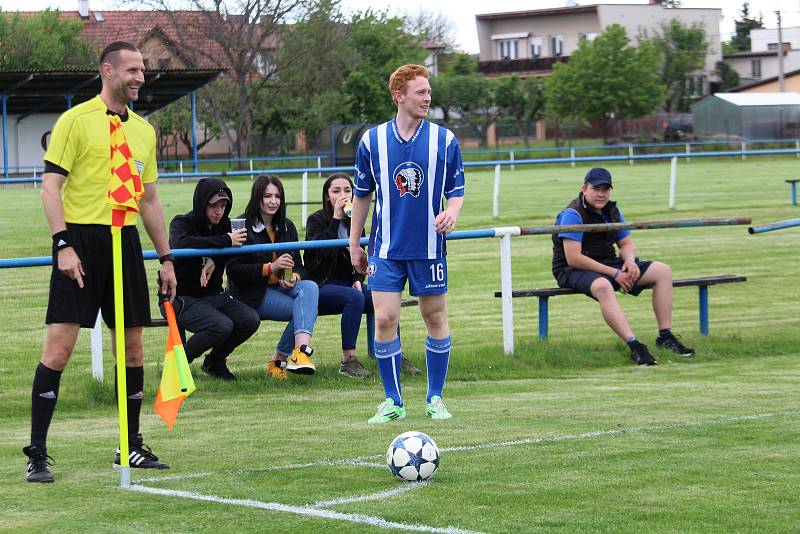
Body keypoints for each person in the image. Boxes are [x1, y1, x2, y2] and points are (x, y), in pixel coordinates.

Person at [23, 41, 178, 483]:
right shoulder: (75, 121)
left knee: (131, 348)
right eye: (132, 70)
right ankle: (37, 451)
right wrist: (62, 244)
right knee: (59, 348)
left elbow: (149, 200)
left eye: (143, 71)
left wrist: (165, 258)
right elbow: (50, 188)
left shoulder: (144, 131)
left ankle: (130, 446)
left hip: (124, 242)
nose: (140, 78)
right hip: (80, 242)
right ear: (107, 70)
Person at [349, 64, 465, 424]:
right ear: (400, 96)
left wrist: (452, 213)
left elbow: (456, 191)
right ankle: (393, 401)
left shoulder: (445, 140)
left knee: (434, 316)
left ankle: (435, 398)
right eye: (420, 92)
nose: (427, 97)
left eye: (429, 92)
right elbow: (362, 195)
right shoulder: (372, 141)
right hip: (385, 250)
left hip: (429, 248)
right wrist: (355, 242)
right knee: (384, 318)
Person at [551, 167, 696, 366]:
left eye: (606, 189)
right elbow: (574, 258)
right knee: (603, 285)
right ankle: (635, 346)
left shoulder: (612, 210)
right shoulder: (572, 214)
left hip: (609, 264)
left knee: (663, 271)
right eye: (596, 189)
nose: (601, 194)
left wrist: (629, 261)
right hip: (572, 269)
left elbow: (626, 243)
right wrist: (615, 273)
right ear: (584, 188)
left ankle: (665, 336)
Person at [167, 177, 261, 381]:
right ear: (201, 204)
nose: (218, 211)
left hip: (213, 295)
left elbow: (248, 242)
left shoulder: (226, 223)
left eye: (223, 205)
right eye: (213, 206)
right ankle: (176, 366)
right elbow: (181, 244)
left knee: (250, 319)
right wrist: (224, 242)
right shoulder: (181, 223)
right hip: (180, 295)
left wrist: (216, 258)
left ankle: (215, 361)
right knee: (221, 325)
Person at [227, 175, 319, 378]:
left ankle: (299, 354)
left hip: (280, 288)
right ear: (257, 197)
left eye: (277, 196)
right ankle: (280, 359)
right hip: (251, 294)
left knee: (310, 287)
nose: (273, 201)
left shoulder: (287, 226)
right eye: (267, 195)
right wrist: (270, 268)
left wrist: (294, 276)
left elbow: (301, 268)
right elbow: (234, 271)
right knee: (303, 309)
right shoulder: (240, 226)